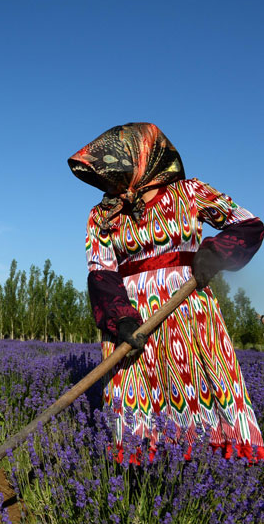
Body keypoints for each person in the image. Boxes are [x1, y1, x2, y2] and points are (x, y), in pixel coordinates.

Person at [68, 122, 264, 461]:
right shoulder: (102, 216)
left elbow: (246, 223)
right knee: (135, 392)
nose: (109, 177)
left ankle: (211, 473)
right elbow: (100, 272)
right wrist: (120, 320)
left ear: (143, 157)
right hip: (130, 314)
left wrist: (214, 253)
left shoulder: (190, 192)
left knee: (197, 386)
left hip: (187, 310)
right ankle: (141, 476)